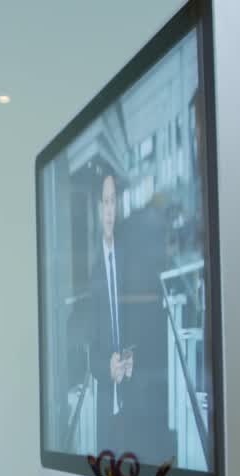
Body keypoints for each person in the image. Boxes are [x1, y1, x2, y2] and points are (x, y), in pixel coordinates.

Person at [88, 173, 133, 453]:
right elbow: (86, 354)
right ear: (97, 208)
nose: (110, 210)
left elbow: (139, 321)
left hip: (131, 398)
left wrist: (133, 356)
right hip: (106, 399)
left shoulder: (128, 258)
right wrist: (107, 366)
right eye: (105, 202)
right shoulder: (91, 271)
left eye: (113, 201)